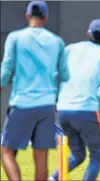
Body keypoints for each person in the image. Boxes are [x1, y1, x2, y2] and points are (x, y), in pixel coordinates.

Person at [0, 1, 69, 180]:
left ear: (27, 15)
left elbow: (6, 69)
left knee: (7, 152)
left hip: (21, 103)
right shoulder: (57, 42)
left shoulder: (15, 38)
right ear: (46, 17)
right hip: (46, 106)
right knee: (41, 158)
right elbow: (65, 75)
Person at [49, 19, 100, 181]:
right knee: (97, 156)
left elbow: (54, 75)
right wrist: (99, 91)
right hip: (86, 111)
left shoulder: (70, 49)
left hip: (63, 110)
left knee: (78, 154)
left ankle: (52, 179)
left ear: (89, 33)